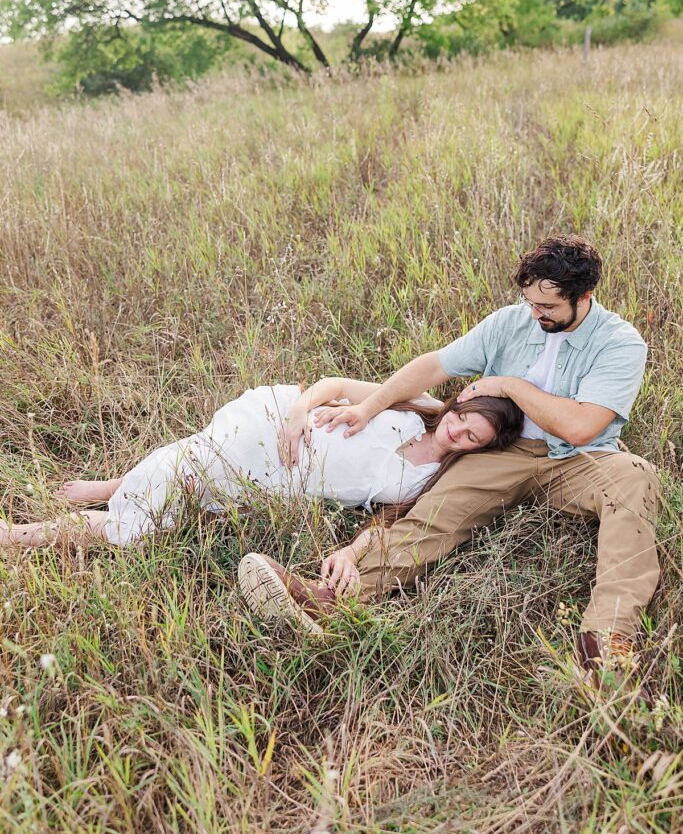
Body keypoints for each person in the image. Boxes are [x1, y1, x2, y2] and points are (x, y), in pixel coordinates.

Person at [239, 235, 661, 693]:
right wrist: (370, 407)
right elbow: (432, 368)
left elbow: (581, 427)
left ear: (583, 297)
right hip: (503, 450)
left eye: (547, 306)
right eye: (529, 301)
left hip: (578, 457)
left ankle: (606, 644)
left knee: (636, 479)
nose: (535, 314)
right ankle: (328, 599)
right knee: (434, 516)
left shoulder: (620, 344)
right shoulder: (511, 323)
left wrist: (510, 387)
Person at [0, 377, 522, 551]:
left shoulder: (432, 481)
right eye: (463, 419)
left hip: (278, 485)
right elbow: (334, 388)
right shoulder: (419, 405)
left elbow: (390, 525)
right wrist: (298, 412)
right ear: (458, 404)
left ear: (483, 448)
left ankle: (112, 487)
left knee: (188, 476)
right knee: (142, 523)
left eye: (473, 438)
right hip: (275, 427)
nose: (458, 433)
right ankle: (22, 535)